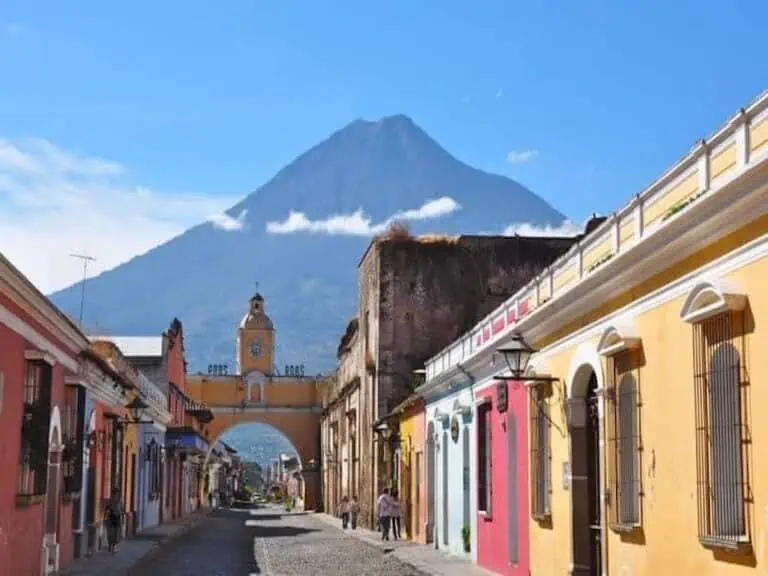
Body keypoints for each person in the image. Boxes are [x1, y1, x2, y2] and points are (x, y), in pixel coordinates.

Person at [105, 488, 123, 553]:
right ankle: (110, 545)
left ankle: (114, 547)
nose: (116, 494)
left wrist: (121, 516)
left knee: (116, 533)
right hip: (112, 517)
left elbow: (121, 509)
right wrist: (106, 514)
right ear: (113, 494)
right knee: (111, 533)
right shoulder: (110, 500)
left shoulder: (120, 500)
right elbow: (106, 508)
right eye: (115, 493)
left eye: (117, 493)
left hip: (117, 517)